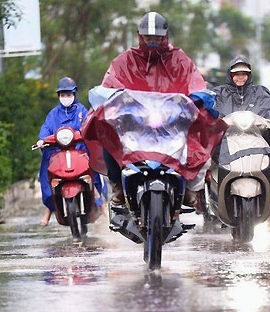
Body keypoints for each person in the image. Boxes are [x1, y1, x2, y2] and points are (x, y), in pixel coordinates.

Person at [83, 11, 218, 208]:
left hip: (172, 123)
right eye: (148, 37)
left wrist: (199, 96)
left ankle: (189, 187)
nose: (152, 41)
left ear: (165, 36)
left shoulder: (180, 60)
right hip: (135, 123)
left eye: (157, 37)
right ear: (140, 36)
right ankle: (118, 185)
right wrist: (112, 97)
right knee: (107, 137)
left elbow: (195, 82)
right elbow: (110, 83)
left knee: (199, 142)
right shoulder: (125, 61)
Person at [36, 77, 106, 226]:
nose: (65, 98)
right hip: (58, 151)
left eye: (68, 94)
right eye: (62, 95)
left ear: (74, 94)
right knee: (46, 168)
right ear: (58, 96)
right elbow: (46, 128)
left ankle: (101, 203)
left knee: (94, 166)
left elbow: (88, 125)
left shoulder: (82, 111)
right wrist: (42, 140)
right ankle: (49, 209)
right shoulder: (53, 114)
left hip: (80, 150)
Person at [212, 55, 270, 170]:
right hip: (227, 142)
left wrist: (268, 123)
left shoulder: (260, 92)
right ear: (230, 74)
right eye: (236, 74)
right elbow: (211, 112)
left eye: (243, 74)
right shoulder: (219, 93)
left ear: (248, 75)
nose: (240, 77)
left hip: (256, 138)